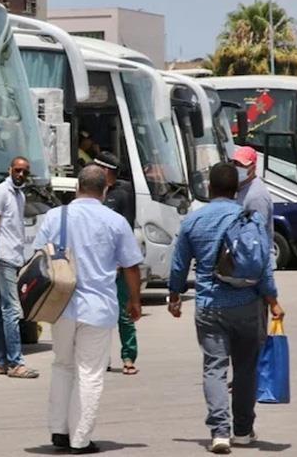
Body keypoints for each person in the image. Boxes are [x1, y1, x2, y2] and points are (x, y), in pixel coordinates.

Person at [167, 162, 285, 455]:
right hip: (247, 304)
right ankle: (243, 431)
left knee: (214, 368)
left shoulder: (194, 221)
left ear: (210, 188)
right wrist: (272, 300)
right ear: (236, 189)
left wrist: (174, 296)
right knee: (246, 369)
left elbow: (179, 265)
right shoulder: (250, 219)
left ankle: (220, 432)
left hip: (209, 306)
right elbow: (263, 266)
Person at [34, 165, 144, 454]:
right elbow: (131, 266)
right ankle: (80, 439)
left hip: (59, 305)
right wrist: (134, 301)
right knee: (90, 372)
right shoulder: (115, 221)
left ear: (76, 187)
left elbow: (37, 257)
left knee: (62, 365)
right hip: (98, 308)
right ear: (105, 189)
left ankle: (59, 430)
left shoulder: (54, 216)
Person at [0, 156, 38, 379]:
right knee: (13, 310)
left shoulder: (20, 195)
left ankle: (0, 361)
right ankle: (16, 362)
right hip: (4, 257)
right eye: (17, 170)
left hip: (15, 257)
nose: (20, 175)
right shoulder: (0, 193)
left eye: (25, 172)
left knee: (4, 309)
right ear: (9, 170)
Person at [94, 152, 139, 376]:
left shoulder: (122, 194)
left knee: (123, 312)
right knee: (98, 315)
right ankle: (100, 357)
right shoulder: (91, 193)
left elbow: (127, 228)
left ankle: (129, 355)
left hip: (117, 265)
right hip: (95, 264)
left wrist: (123, 260)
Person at [232, 146, 274, 245]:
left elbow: (257, 235)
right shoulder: (241, 188)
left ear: (253, 168)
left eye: (242, 165)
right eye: (235, 164)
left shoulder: (256, 195)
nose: (237, 168)